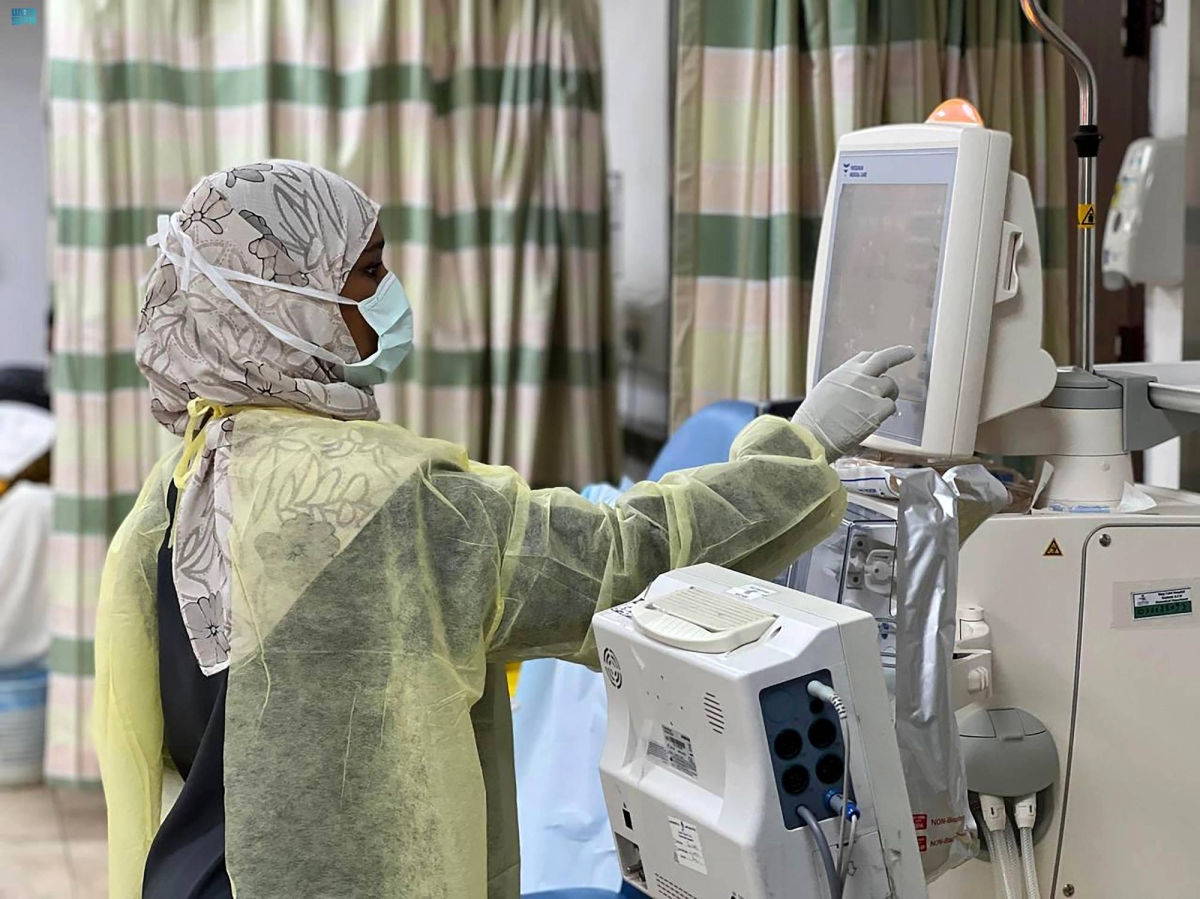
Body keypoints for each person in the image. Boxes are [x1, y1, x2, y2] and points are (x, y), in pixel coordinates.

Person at [94, 159, 913, 899]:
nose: (390, 294)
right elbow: (621, 559)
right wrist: (800, 450)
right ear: (283, 303)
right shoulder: (390, 505)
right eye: (369, 270)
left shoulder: (176, 493)